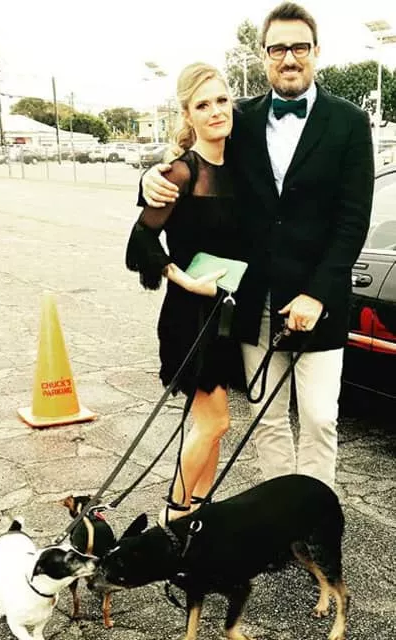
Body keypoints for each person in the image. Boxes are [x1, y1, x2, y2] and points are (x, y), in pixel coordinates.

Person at [139, 2, 374, 489]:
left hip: (319, 303)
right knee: (266, 421)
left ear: (316, 51)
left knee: (319, 419)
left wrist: (317, 294)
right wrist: (148, 179)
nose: (289, 58)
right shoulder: (240, 116)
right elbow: (195, 159)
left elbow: (353, 221)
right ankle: (278, 518)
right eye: (277, 49)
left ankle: (314, 517)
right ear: (264, 55)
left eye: (299, 47)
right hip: (254, 301)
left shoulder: (349, 121)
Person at [126, 62, 246, 525]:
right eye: (203, 105)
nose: (216, 111)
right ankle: (173, 518)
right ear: (187, 114)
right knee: (216, 422)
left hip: (224, 312)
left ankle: (198, 514)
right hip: (188, 315)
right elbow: (139, 242)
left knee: (212, 429)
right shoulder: (179, 172)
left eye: (222, 100)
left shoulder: (240, 167)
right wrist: (183, 279)